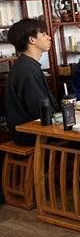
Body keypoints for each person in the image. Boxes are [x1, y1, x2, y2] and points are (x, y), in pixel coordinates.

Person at [5, 18, 56, 146]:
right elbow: (39, 110)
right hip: (30, 132)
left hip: (36, 126)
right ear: (32, 40)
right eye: (43, 34)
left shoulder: (28, 64)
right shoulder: (26, 70)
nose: (49, 37)